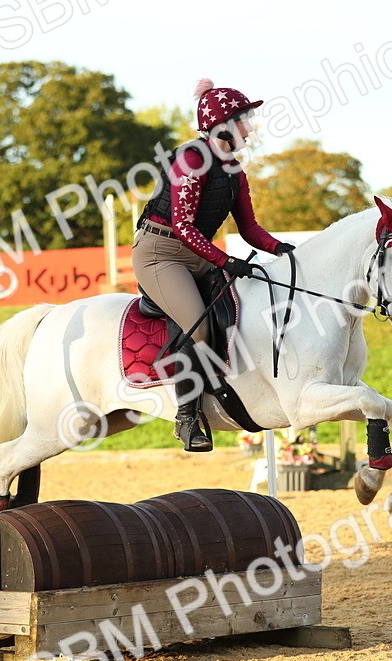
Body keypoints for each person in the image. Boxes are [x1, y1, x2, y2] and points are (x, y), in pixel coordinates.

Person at [132, 78, 293, 453]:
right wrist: (225, 260)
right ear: (222, 125)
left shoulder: (235, 171)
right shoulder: (190, 159)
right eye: (243, 121)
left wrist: (283, 249)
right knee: (201, 327)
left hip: (197, 253)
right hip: (161, 252)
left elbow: (250, 229)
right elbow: (183, 225)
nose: (250, 129)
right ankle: (187, 418)